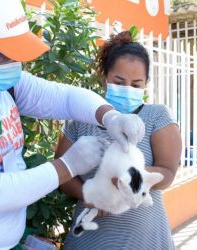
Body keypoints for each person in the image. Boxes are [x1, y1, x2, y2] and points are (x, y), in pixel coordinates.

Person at [0, 0, 146, 249]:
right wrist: (67, 166)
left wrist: (111, 117)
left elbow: (65, 97)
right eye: (5, 53)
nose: (15, 62)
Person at [55, 30, 182, 250]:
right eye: (119, 81)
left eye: (135, 85)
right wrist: (89, 197)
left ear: (145, 85)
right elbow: (61, 172)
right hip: (90, 240)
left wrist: (131, 176)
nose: (127, 89)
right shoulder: (80, 118)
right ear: (105, 80)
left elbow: (168, 172)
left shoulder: (157, 116)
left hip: (145, 239)